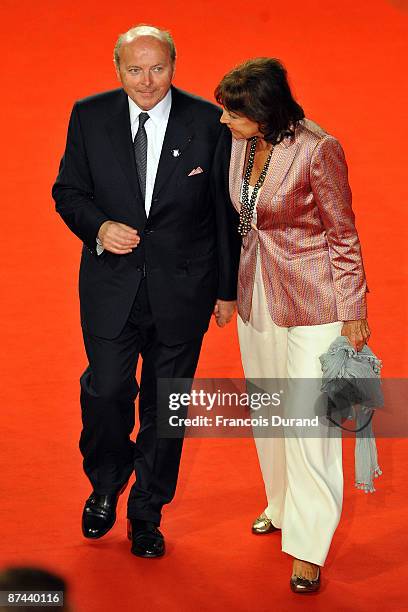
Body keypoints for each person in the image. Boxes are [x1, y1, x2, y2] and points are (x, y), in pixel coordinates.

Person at [52, 24, 239, 559]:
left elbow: (223, 215)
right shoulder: (89, 116)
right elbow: (67, 191)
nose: (147, 80)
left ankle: (147, 513)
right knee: (107, 391)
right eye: (135, 69)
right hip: (111, 286)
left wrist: (226, 290)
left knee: (167, 408)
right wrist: (97, 226)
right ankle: (107, 482)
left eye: (157, 68)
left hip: (185, 290)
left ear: (174, 66)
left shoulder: (208, 122)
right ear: (118, 70)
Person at [215, 58, 370, 593]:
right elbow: (241, 224)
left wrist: (354, 312)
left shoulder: (317, 148)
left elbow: (343, 233)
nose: (223, 122)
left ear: (262, 111)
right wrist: (230, 291)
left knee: (310, 425)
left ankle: (309, 547)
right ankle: (280, 504)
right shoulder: (241, 142)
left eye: (232, 113)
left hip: (316, 301)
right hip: (257, 292)